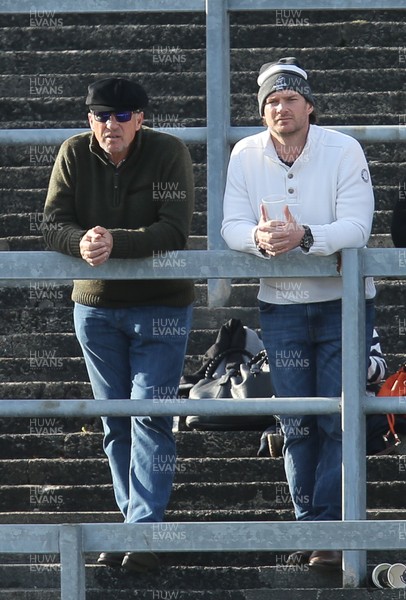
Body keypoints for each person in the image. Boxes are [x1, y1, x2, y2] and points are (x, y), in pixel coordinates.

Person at [221, 57, 375, 569]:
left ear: (309, 105)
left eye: (290, 99)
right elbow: (230, 225)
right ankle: (310, 525)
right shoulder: (244, 153)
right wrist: (259, 240)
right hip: (281, 304)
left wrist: (305, 237)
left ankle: (330, 533)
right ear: (261, 111)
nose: (281, 108)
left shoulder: (344, 148)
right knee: (296, 422)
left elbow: (358, 225)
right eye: (271, 101)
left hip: (342, 302)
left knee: (338, 418)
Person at [42, 77, 195, 572]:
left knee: (150, 413)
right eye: (102, 116)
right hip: (96, 307)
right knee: (114, 418)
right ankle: (132, 523)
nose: (112, 124)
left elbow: (175, 228)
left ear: (141, 118)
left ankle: (144, 531)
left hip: (161, 307)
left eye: (122, 115)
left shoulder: (168, 152)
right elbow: (52, 222)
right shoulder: (72, 153)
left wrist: (114, 243)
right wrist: (80, 242)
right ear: (89, 120)